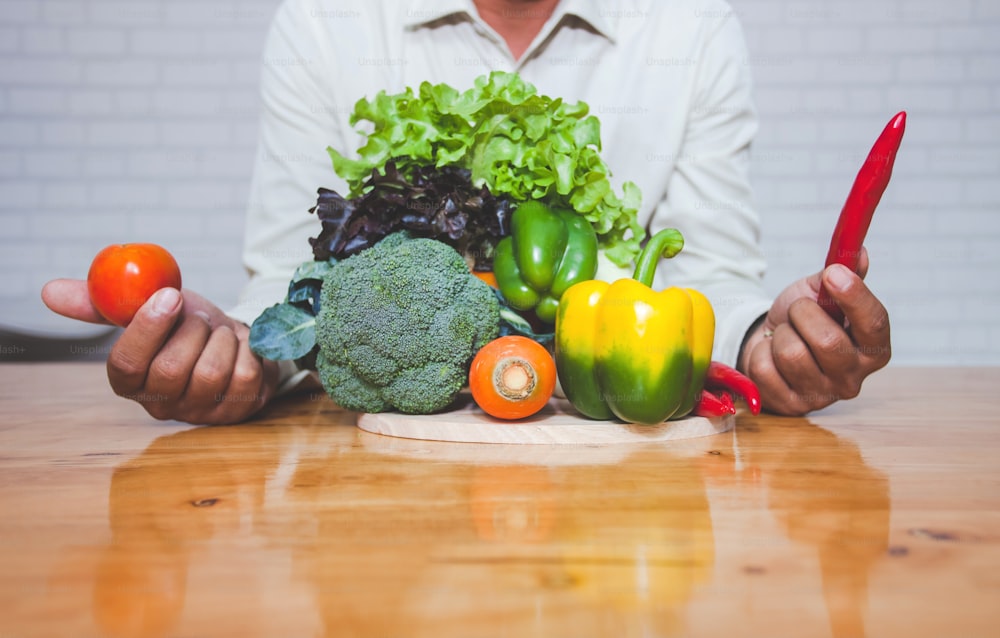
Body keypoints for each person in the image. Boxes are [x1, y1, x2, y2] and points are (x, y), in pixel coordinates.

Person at [42, 0, 891, 425]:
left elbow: (710, 273)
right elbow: (282, 275)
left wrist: (763, 344)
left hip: (624, 485)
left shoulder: (692, 25)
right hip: (373, 503)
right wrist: (242, 353)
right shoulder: (323, 21)